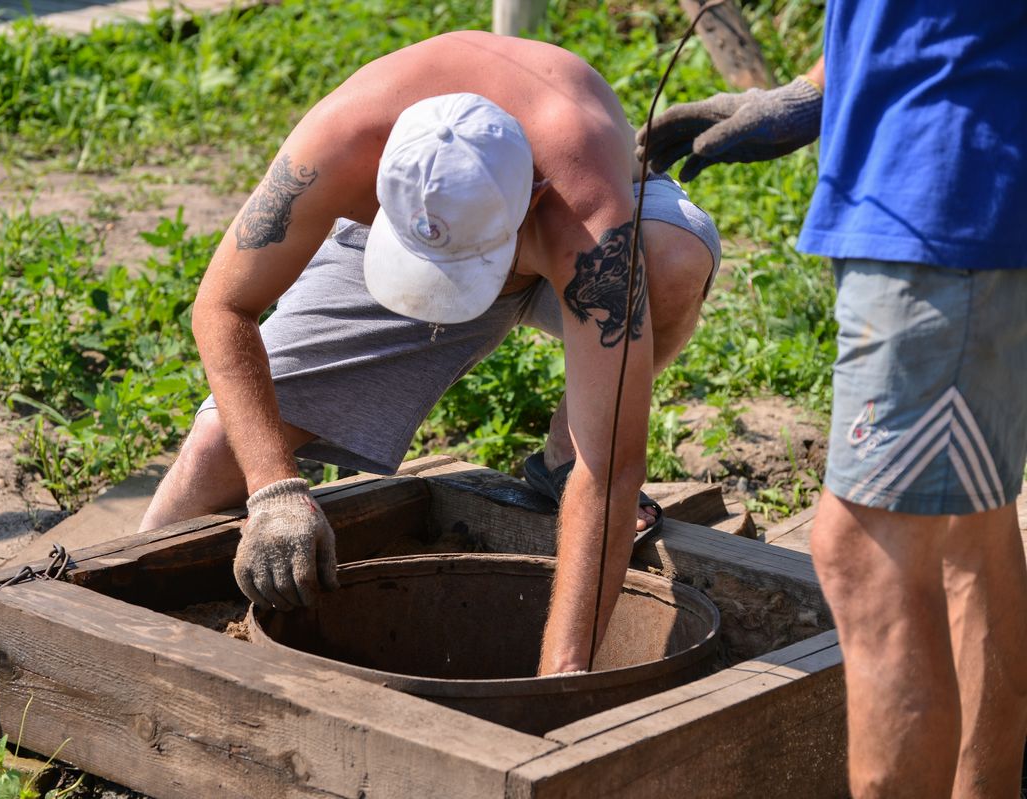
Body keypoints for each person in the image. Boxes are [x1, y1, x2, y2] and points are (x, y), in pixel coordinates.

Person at [138, 30, 722, 674]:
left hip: (566, 231)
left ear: (531, 196)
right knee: (220, 449)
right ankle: (117, 610)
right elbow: (223, 308)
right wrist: (274, 491)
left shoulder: (588, 218)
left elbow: (610, 470)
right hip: (417, 234)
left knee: (673, 255)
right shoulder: (339, 144)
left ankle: (557, 459)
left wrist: (563, 680)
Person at [638, 4, 1027, 795]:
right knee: (967, 530)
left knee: (863, 550)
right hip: (959, 173)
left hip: (941, 193)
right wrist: (816, 88)